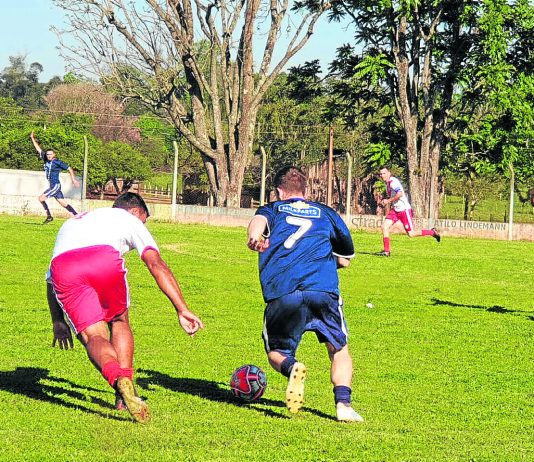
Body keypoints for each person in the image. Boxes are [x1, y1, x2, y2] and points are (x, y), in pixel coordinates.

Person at [47, 192, 204, 423]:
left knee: (93, 337)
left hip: (64, 267)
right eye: (145, 221)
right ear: (136, 212)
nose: (144, 225)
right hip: (102, 258)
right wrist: (181, 308)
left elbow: (50, 280)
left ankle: (118, 379)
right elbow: (155, 263)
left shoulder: (74, 222)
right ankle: (124, 390)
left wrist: (58, 321)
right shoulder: (129, 219)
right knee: (119, 321)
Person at [247, 166, 364, 423]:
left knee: (276, 352)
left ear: (279, 192)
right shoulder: (326, 213)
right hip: (323, 290)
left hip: (284, 291)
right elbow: (345, 259)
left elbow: (259, 222)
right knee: (339, 349)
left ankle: (292, 367)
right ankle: (343, 406)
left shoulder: (272, 209)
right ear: (305, 190)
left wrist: (254, 237)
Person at [376, 166, 440, 257]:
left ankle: (432, 232)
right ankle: (386, 251)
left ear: (389, 173)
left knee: (411, 234)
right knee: (384, 226)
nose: (382, 175)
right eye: (381, 174)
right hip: (395, 210)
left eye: (384, 173)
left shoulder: (393, 182)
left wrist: (388, 201)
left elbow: (400, 194)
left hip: (404, 210)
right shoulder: (388, 184)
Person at [30, 131, 80, 223]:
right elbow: (38, 149)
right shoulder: (46, 159)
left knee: (41, 198)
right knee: (63, 203)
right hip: (52, 185)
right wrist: (32, 138)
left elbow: (69, 168)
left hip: (55, 186)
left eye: (50, 154)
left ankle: (49, 216)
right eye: (47, 154)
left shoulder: (57, 162)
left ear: (54, 155)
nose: (49, 156)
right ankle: (77, 215)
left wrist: (73, 179)